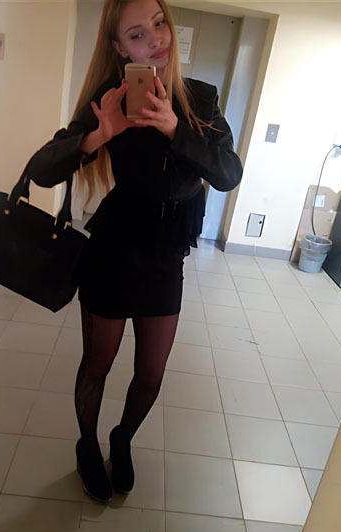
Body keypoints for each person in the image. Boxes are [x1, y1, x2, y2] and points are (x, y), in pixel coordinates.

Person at [26, 0, 243, 504]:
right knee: (97, 362)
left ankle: (122, 438)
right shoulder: (111, 97)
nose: (156, 39)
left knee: (151, 371)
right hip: (113, 250)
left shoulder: (201, 99)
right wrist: (99, 135)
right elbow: (41, 168)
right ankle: (87, 444)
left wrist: (173, 127)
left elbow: (228, 174)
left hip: (166, 255)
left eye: (159, 24)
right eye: (138, 34)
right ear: (120, 48)